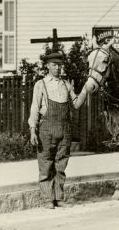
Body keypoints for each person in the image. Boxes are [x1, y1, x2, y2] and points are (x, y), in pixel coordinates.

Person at [29, 50, 81, 209]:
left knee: (61, 164)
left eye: (60, 65)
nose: (58, 68)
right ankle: (47, 199)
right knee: (46, 164)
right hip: (46, 129)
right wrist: (32, 130)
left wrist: (87, 89)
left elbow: (77, 103)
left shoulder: (66, 84)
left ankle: (59, 197)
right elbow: (34, 108)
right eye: (54, 65)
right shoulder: (41, 84)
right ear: (47, 66)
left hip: (64, 129)